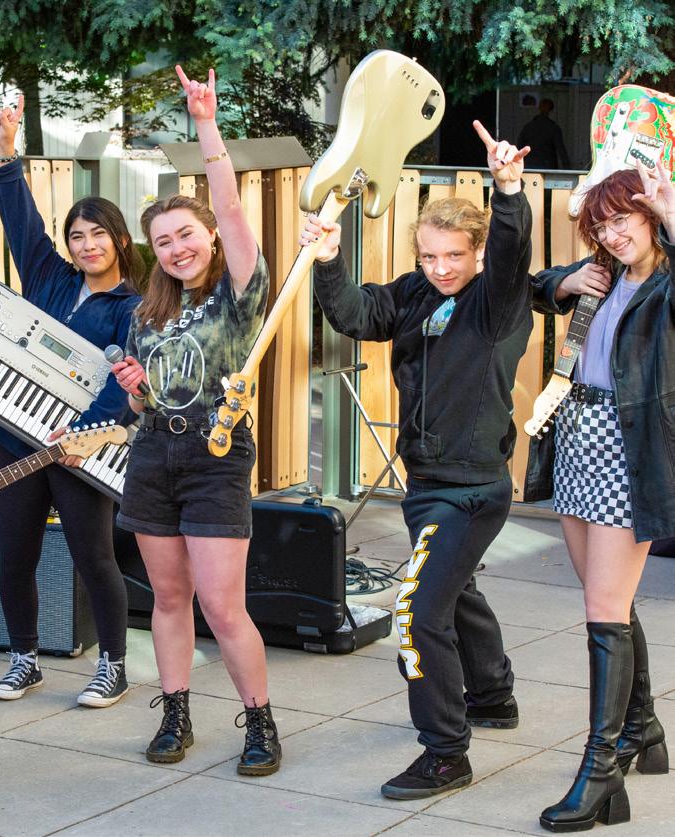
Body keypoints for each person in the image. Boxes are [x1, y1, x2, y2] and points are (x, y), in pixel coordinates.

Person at [302, 121, 533, 799]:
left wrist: (508, 191)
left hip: (472, 489)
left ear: (478, 252)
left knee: (416, 611)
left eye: (454, 255)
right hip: (425, 482)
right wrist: (327, 258)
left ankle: (445, 751)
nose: (441, 268)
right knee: (452, 589)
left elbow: (514, 251)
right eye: (429, 255)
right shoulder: (412, 293)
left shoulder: (496, 301)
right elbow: (353, 314)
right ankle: (491, 694)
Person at [111, 66, 279, 776]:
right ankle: (175, 711)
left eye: (186, 234)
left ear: (209, 235)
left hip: (216, 455)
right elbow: (142, 406)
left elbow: (232, 205)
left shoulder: (240, 290)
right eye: (163, 241)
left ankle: (260, 721)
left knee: (222, 604)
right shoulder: (146, 310)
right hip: (153, 455)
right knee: (169, 596)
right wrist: (136, 390)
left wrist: (205, 125)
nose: (177, 248)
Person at [0, 94, 142, 707]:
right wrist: (6, 153)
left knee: (93, 557)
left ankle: (112, 664)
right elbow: (21, 221)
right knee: (13, 554)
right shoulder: (48, 278)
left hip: (81, 452)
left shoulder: (135, 307)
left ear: (119, 239)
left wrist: (84, 437)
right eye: (77, 236)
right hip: (19, 439)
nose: (86, 245)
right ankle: (24, 660)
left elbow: (121, 385)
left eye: (98, 233)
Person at [530, 162, 673, 832]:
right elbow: (530, 286)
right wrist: (564, 281)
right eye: (602, 225)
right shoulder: (605, 275)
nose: (613, 235)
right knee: (607, 597)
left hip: (626, 449)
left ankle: (600, 771)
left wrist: (672, 216)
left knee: (602, 610)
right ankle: (642, 727)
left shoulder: (664, 285)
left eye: (623, 219)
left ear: (650, 217)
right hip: (577, 440)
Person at [518, 98, 571, 170]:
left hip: (529, 165)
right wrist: (567, 168)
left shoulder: (528, 127)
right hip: (547, 166)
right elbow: (561, 149)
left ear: (539, 108)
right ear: (551, 110)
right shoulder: (553, 127)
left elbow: (520, 146)